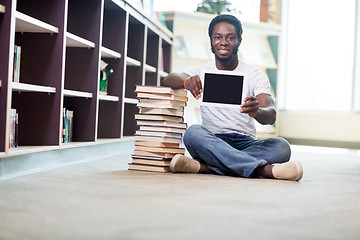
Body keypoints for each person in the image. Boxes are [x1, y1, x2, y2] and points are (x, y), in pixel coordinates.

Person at [162, 14, 303, 181]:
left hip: (246, 142)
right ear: (211, 41)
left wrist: (257, 111)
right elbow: (168, 79)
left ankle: (205, 167)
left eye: (230, 37)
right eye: (218, 37)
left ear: (239, 41)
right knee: (192, 133)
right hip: (212, 139)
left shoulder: (255, 75)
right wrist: (186, 81)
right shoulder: (201, 70)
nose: (223, 42)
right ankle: (264, 170)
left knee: (282, 146)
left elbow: (271, 115)